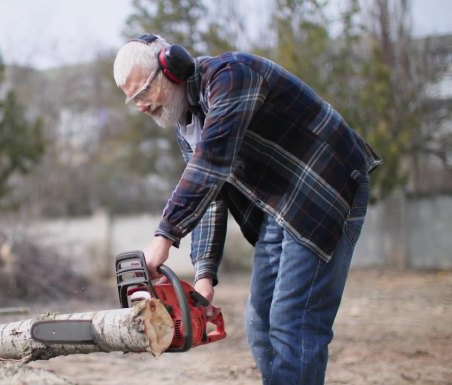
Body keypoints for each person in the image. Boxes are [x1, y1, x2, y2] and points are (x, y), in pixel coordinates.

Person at [113, 34, 381, 385]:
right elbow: (211, 196)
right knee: (260, 323)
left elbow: (211, 164)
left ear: (172, 67)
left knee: (293, 321)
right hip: (278, 205)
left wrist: (165, 235)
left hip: (323, 186)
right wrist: (203, 280)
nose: (142, 106)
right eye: (133, 100)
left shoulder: (230, 77)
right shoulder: (187, 123)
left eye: (144, 92)